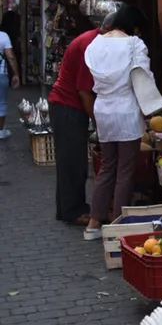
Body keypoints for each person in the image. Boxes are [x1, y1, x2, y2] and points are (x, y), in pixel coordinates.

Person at [83, 6, 155, 240]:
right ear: (133, 26)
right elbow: (144, 78)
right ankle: (115, 228)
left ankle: (93, 224)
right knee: (125, 171)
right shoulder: (134, 45)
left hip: (103, 108)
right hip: (126, 110)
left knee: (106, 167)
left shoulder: (94, 44)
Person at [48, 15, 99, 224]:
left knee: (71, 162)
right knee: (73, 162)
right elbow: (85, 92)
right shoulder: (90, 46)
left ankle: (68, 208)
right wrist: (97, 122)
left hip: (65, 105)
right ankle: (72, 211)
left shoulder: (91, 40)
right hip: (67, 106)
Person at [0, 10, 22, 139]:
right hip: (1, 74)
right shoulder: (3, 36)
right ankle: (0, 131)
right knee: (1, 102)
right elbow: (10, 57)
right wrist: (16, 74)